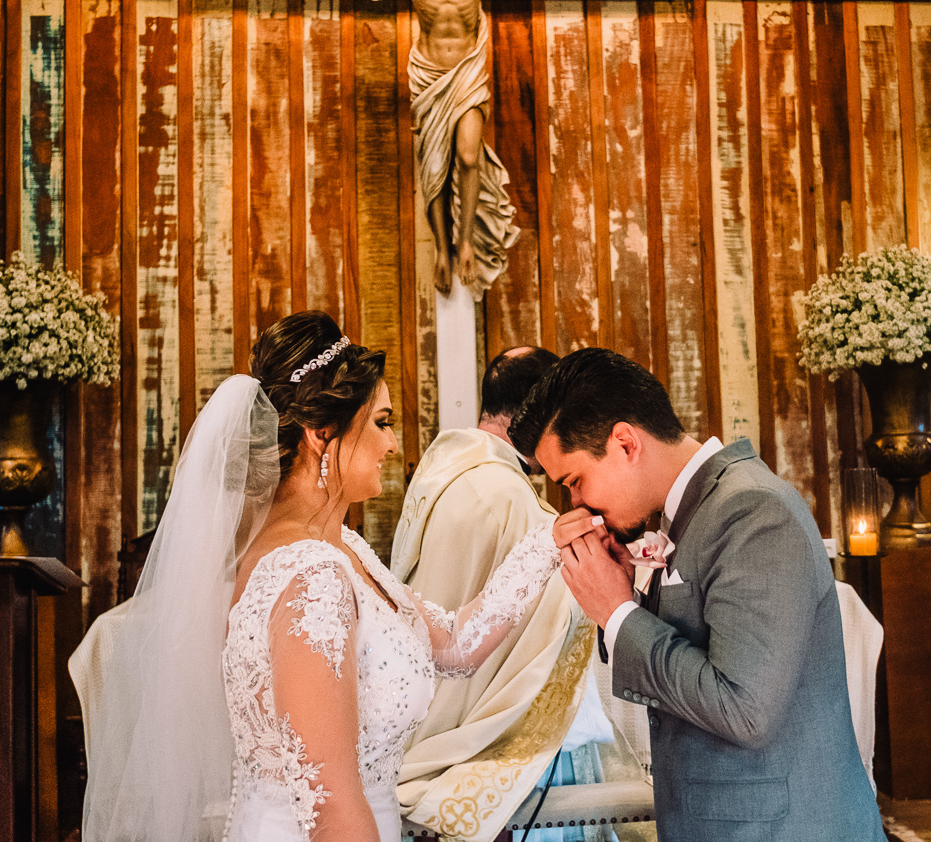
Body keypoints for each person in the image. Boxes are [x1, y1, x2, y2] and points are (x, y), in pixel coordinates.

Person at [81, 311, 562, 842]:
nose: (394, 445)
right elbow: (330, 801)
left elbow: (452, 643)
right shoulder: (311, 577)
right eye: (380, 422)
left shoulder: (339, 547)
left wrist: (554, 541)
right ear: (320, 435)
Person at [508, 348, 885, 842]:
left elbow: (744, 709)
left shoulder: (752, 509)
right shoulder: (692, 511)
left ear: (625, 442)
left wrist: (618, 614)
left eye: (575, 481)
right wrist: (630, 599)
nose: (576, 503)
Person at [265, 0, 623, 298]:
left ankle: (468, 241)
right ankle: (442, 247)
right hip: (430, 70)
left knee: (469, 157)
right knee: (434, 164)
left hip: (468, 69)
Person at [391, 346, 601, 835]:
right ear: (539, 409)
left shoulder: (446, 471)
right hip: (474, 729)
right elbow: (552, 607)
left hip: (427, 703)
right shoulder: (501, 493)